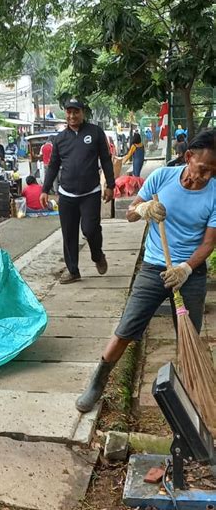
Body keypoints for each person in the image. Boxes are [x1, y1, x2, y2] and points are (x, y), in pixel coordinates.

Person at [75, 130, 216, 412]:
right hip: (154, 266)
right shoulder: (162, 178)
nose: (205, 177)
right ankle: (97, 382)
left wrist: (186, 269)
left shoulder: (214, 194)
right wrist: (144, 209)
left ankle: (190, 393)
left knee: (189, 337)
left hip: (190, 273)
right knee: (127, 328)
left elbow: (209, 243)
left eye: (213, 172)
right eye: (202, 169)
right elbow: (129, 213)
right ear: (188, 158)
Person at [39, 99, 115, 283]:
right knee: (69, 234)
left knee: (90, 230)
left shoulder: (95, 132)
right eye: (69, 112)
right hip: (67, 194)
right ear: (65, 113)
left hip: (91, 192)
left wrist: (111, 185)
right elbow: (53, 166)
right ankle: (73, 271)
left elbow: (106, 159)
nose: (72, 116)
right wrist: (45, 190)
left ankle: (97, 256)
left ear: (83, 112)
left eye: (76, 112)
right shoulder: (60, 139)